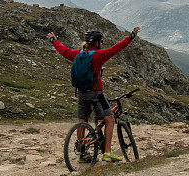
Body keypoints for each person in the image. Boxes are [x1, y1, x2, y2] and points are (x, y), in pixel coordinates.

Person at [46, 27, 140, 163]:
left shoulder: (77, 54)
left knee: (83, 120)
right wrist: (130, 37)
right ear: (96, 43)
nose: (101, 44)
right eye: (100, 42)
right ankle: (107, 152)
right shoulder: (98, 55)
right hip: (96, 93)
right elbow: (116, 48)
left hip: (81, 93)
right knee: (109, 119)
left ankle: (82, 152)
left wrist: (54, 40)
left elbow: (63, 50)